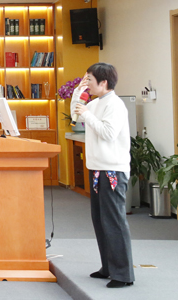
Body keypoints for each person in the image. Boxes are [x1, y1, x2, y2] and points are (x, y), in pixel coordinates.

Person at [72, 63, 134, 289]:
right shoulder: (95, 103)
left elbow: (108, 133)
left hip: (112, 170)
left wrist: (87, 114)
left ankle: (123, 274)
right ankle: (108, 267)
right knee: (100, 220)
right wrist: (78, 94)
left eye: (89, 79)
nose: (86, 82)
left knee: (114, 221)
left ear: (103, 82)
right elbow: (76, 116)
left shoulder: (115, 105)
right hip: (97, 168)